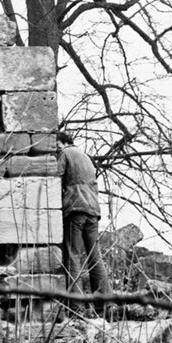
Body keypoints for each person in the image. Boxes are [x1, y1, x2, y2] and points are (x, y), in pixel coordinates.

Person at [57, 131, 111, 308]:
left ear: (63, 142)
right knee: (95, 256)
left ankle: (76, 305)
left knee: (72, 255)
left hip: (76, 208)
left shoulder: (66, 154)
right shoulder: (86, 157)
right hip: (93, 210)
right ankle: (104, 301)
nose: (56, 149)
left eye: (57, 144)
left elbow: (55, 179)